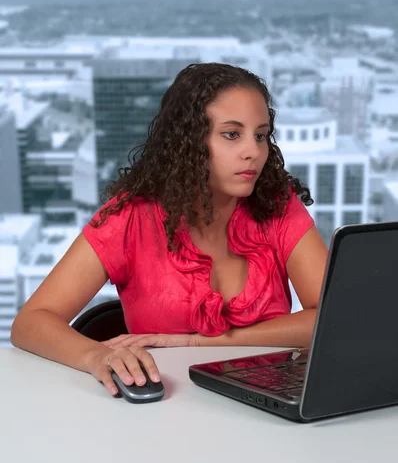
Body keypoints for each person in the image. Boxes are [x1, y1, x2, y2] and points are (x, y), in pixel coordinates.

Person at [11, 62, 328, 398]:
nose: (253, 152)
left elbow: (332, 319)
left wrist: (199, 341)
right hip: (163, 413)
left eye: (261, 135)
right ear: (189, 140)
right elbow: (31, 322)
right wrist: (97, 356)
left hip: (266, 399)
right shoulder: (131, 217)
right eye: (232, 134)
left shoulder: (277, 205)